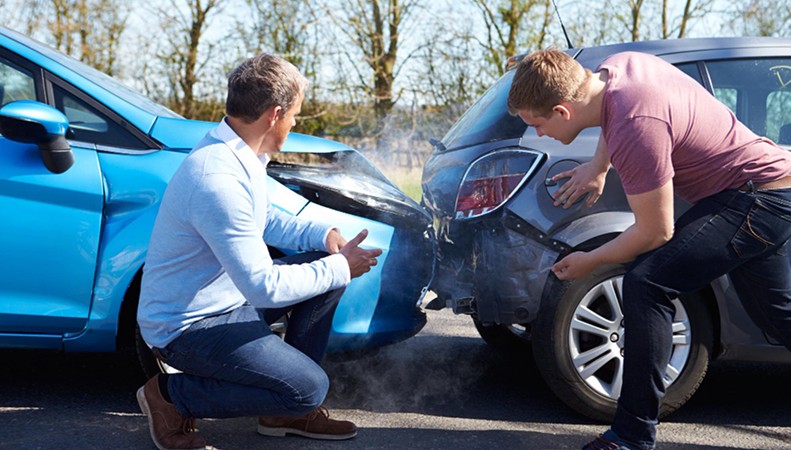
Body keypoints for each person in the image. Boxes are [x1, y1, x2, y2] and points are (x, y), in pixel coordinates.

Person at [507, 48, 791, 450]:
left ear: (562, 110)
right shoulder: (618, 69)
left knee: (647, 283)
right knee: (778, 315)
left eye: (536, 124)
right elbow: (613, 113)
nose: (538, 133)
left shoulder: (636, 125)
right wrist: (598, 166)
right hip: (769, 189)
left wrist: (590, 260)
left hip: (753, 199)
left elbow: (656, 232)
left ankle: (631, 436)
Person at [136, 53, 382, 450]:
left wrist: (325, 237)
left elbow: (265, 219)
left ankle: (283, 412)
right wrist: (341, 267)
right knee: (309, 388)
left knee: (327, 271)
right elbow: (263, 288)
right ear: (275, 114)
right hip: (187, 327)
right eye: (296, 115)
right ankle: (170, 397)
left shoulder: (238, 153)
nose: (295, 123)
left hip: (226, 302)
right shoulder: (216, 178)